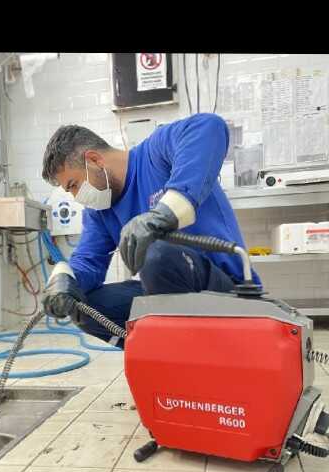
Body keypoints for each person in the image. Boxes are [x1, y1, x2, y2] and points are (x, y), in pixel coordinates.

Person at [41, 114, 261, 344]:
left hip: (225, 289)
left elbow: (210, 127)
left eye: (74, 185)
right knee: (83, 306)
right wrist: (65, 280)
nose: (77, 197)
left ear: (95, 160)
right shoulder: (100, 212)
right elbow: (88, 262)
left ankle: (186, 352)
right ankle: (160, 355)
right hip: (169, 293)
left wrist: (164, 214)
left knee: (156, 254)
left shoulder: (154, 154)